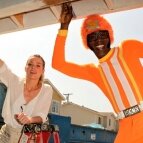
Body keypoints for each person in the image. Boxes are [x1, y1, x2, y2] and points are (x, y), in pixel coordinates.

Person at [52, 3, 143, 143]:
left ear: (109, 36)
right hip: (125, 126)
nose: (98, 40)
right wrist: (64, 27)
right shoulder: (94, 71)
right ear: (87, 43)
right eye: (92, 37)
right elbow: (58, 64)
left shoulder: (127, 47)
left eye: (102, 34)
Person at [0, 54, 53, 142]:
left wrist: (30, 119)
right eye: (30, 64)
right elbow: (3, 68)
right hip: (6, 135)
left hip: (28, 138)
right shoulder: (14, 81)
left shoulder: (47, 90)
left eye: (38, 65)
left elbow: (42, 116)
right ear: (25, 68)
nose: (33, 68)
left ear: (43, 70)